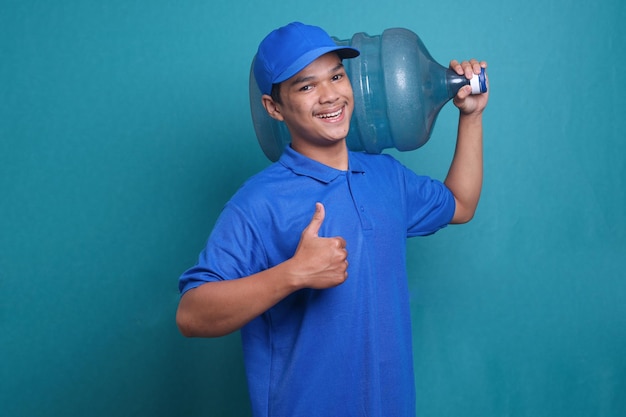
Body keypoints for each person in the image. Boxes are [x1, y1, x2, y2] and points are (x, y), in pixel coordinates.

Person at [177, 21, 489, 417]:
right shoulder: (259, 201)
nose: (330, 96)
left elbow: (460, 204)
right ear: (274, 108)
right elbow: (191, 314)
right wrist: (292, 274)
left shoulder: (386, 176)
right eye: (306, 86)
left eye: (337, 76)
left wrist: (471, 117)